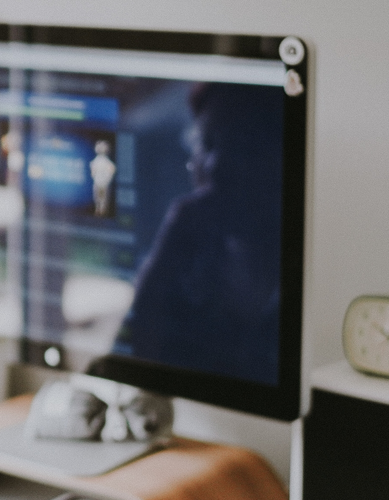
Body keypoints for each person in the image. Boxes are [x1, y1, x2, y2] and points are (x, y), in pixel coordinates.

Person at [116, 82, 285, 385]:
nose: (217, 164)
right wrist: (166, 259)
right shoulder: (190, 258)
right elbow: (127, 361)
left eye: (240, 145)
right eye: (206, 143)